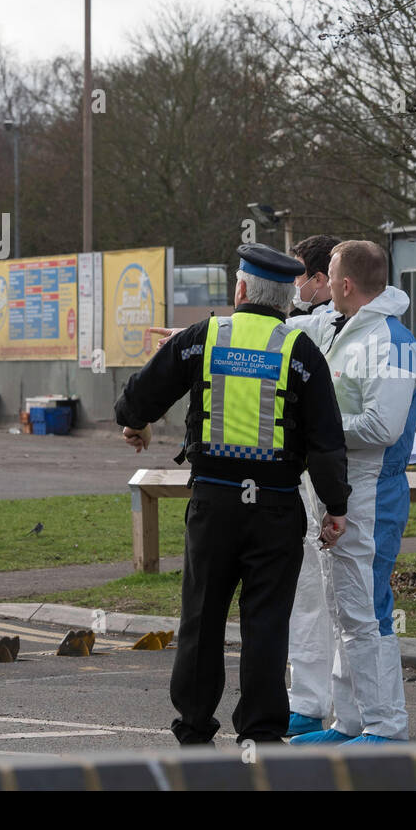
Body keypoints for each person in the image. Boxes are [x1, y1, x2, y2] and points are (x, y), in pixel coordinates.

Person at [114, 243, 350, 745]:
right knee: (266, 620)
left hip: (213, 505)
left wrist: (136, 424)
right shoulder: (300, 352)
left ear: (240, 290)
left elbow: (142, 393)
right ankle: (262, 732)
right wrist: (336, 507)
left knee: (202, 614)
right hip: (275, 507)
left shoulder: (204, 338)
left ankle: (195, 726)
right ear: (288, 300)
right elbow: (326, 441)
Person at [289, 239, 416, 745]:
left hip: (372, 491)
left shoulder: (394, 340)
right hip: (341, 489)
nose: (316, 289)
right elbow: (286, 328)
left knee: (365, 609)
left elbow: (383, 426)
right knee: (344, 606)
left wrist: (315, 427)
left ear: (343, 285)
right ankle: (349, 722)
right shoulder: (341, 325)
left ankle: (386, 727)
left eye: (327, 278)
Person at [283, 235, 344, 737]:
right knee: (307, 594)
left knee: (340, 599)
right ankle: (307, 701)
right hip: (309, 479)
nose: (294, 286)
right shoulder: (312, 324)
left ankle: (347, 710)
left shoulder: (334, 326)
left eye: (299, 275)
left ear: (321, 280)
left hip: (339, 481)